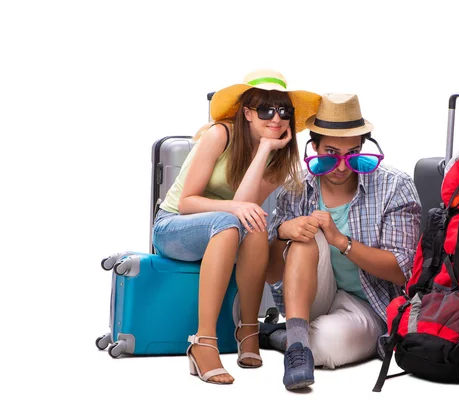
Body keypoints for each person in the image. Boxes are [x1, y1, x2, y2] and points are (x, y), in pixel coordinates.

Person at [152, 69, 320, 385]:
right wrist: (233, 208)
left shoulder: (278, 158)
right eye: (266, 109)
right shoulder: (220, 135)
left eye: (284, 111)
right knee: (235, 220)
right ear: (247, 113)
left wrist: (265, 151)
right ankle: (203, 343)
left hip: (225, 231)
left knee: (253, 224)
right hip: (174, 228)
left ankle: (248, 330)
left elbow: (246, 206)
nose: (277, 118)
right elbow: (187, 202)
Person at [262, 93, 422, 390]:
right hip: (313, 297)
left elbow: (403, 271)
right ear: (314, 146)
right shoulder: (296, 188)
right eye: (330, 153)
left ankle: (282, 336)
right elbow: (272, 274)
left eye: (353, 154)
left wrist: (340, 240)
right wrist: (284, 230)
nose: (341, 166)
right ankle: (297, 346)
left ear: (364, 146)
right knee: (304, 239)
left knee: (324, 349)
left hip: (368, 304)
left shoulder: (395, 186)